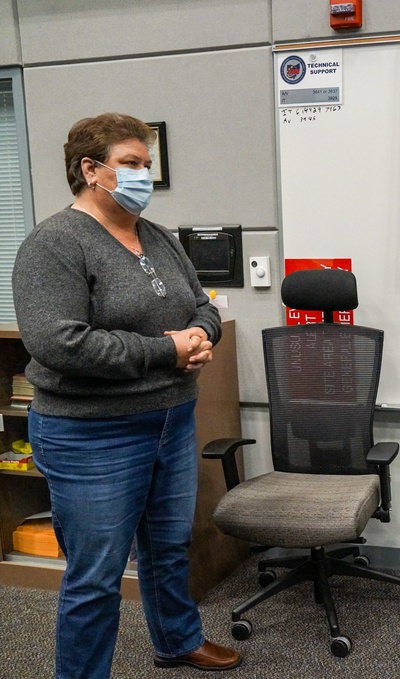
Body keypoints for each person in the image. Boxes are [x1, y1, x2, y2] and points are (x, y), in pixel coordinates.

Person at [11, 113, 241, 678]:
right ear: (91, 170)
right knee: (97, 577)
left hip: (171, 420)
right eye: (131, 164)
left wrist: (202, 335)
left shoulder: (155, 236)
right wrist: (168, 351)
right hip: (93, 434)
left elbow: (203, 302)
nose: (144, 175)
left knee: (168, 549)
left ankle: (177, 640)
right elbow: (60, 343)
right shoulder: (55, 244)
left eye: (147, 164)